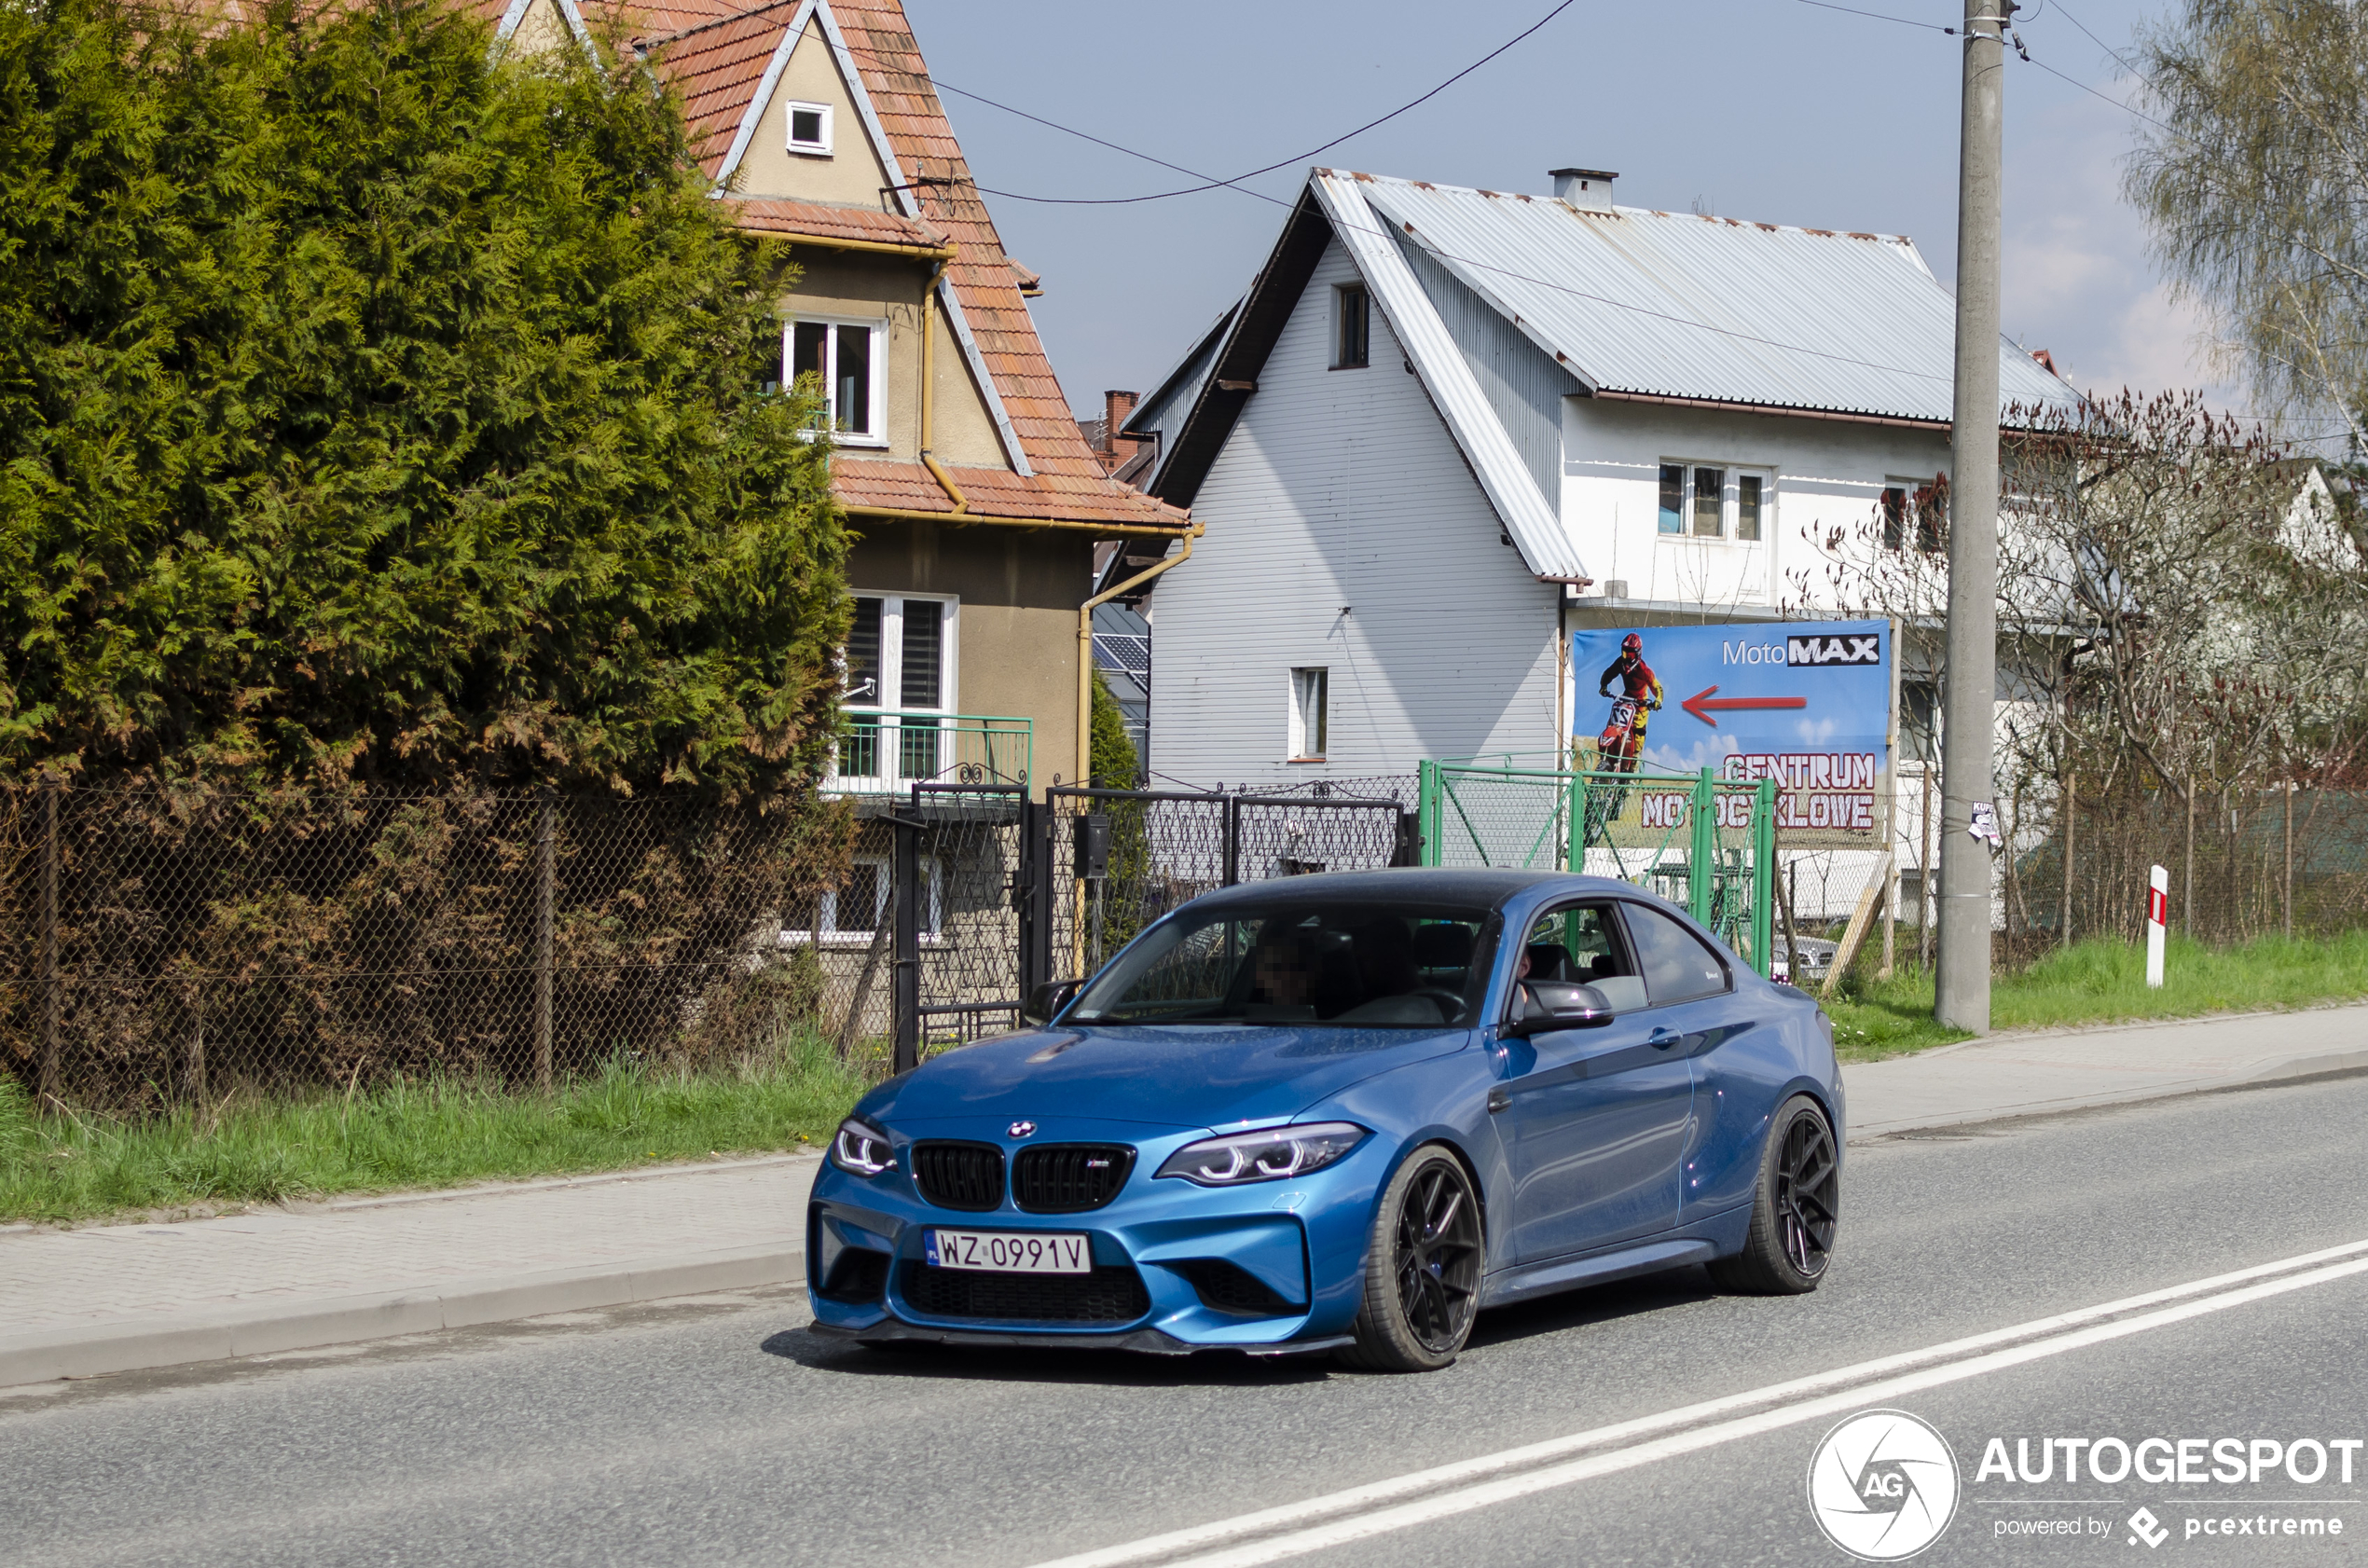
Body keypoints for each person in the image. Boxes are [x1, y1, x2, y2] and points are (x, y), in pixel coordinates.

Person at [1596, 632, 1664, 766]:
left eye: (1630, 654)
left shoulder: (1643, 670)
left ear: (1637, 654)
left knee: (1639, 731)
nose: (1626, 657)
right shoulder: (1620, 663)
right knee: (1613, 724)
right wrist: (1603, 685)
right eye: (1625, 653)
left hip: (1641, 702)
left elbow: (1657, 686)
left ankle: (1634, 765)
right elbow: (1608, 673)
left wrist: (1658, 700)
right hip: (1626, 699)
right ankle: (1610, 751)